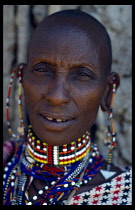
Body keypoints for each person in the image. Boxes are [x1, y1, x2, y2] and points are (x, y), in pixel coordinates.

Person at [3, 9, 132, 205]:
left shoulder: (124, 194)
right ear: (22, 78)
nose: (56, 97)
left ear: (108, 92)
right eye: (42, 70)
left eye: (82, 74)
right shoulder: (6, 166)